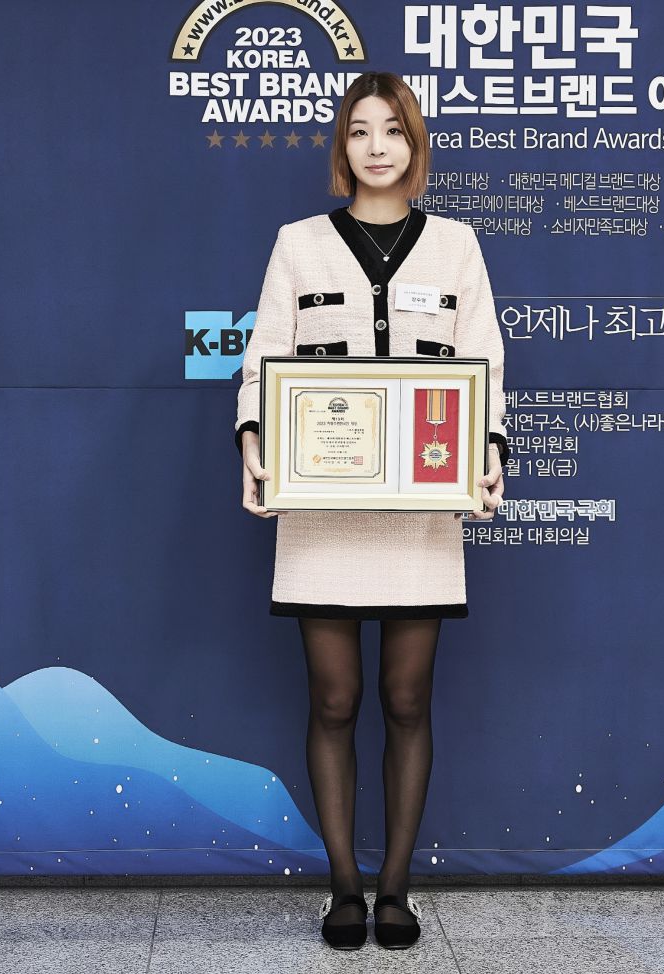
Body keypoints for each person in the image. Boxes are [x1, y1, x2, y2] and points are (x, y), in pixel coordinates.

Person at [234, 71, 509, 950]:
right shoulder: (299, 244)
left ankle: (396, 889)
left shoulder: (457, 245)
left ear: (415, 144)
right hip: (322, 511)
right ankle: (343, 889)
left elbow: (484, 363)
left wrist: (489, 451)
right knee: (334, 699)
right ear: (341, 146)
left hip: (422, 510)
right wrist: (254, 444)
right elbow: (263, 360)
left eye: (393, 130)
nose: (377, 146)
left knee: (406, 697)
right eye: (360, 130)